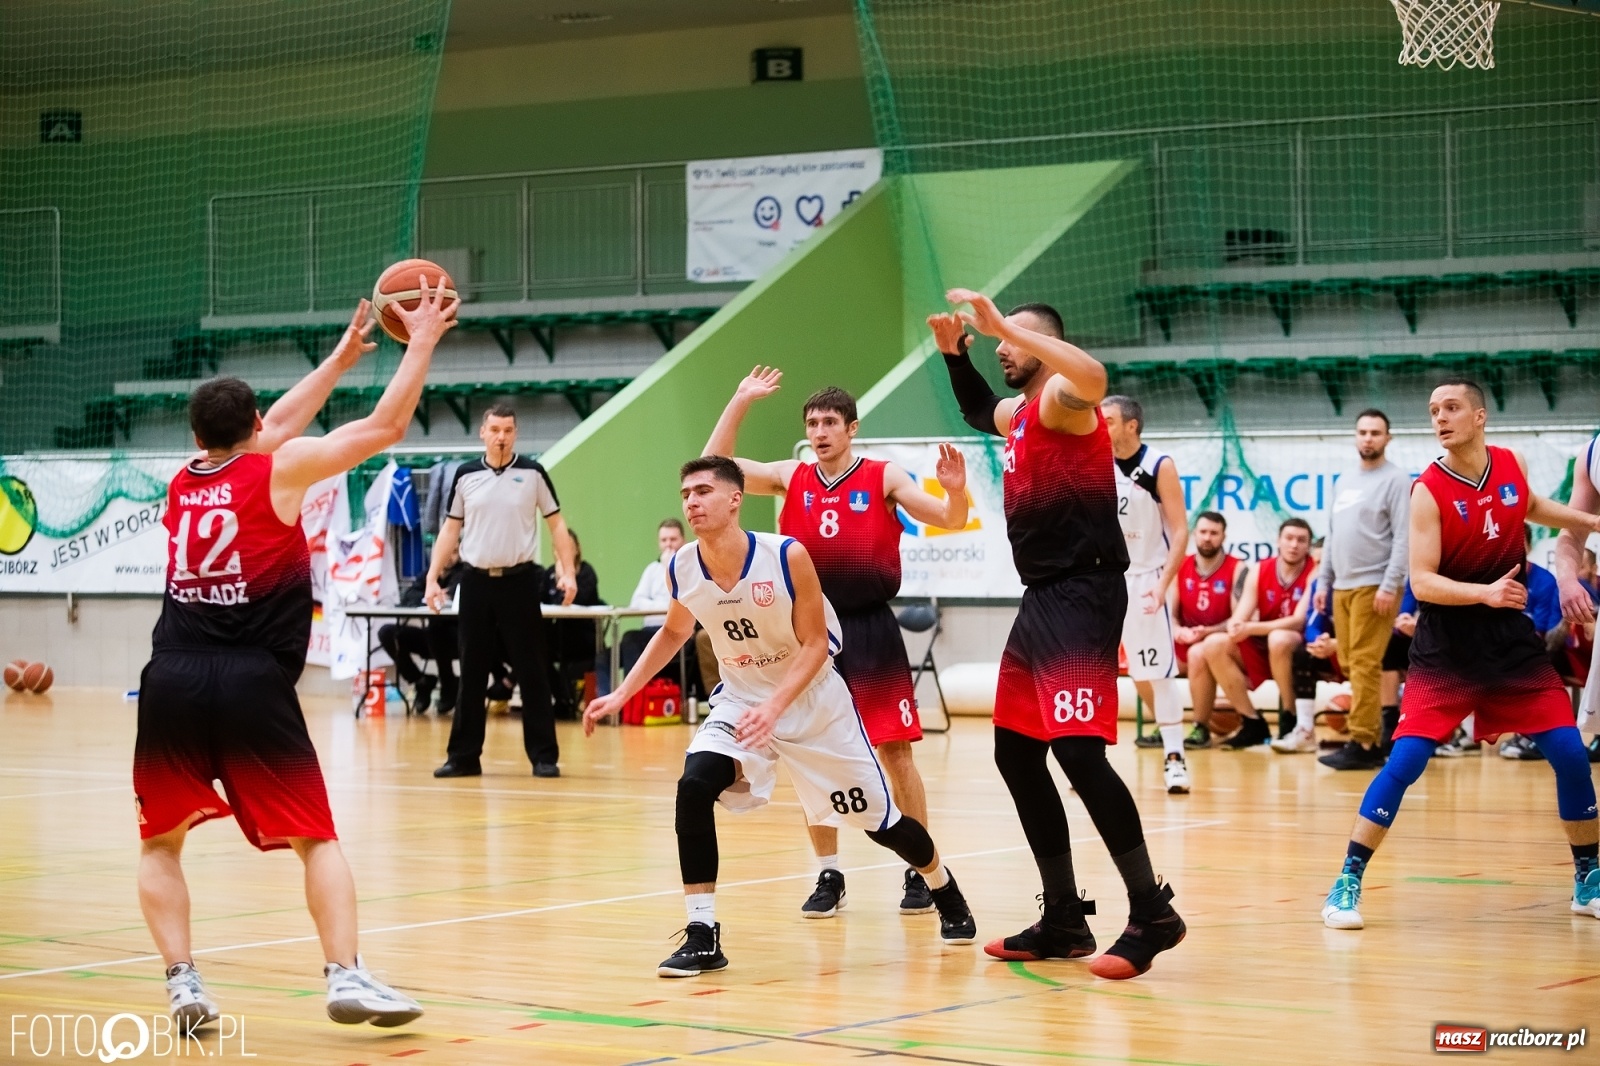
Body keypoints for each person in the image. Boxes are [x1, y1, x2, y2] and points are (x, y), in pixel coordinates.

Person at [133, 284, 457, 1030]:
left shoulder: (185, 482)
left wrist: (341, 358)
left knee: (160, 841)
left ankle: (184, 983)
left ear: (198, 434)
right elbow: (388, 424)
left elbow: (274, 422)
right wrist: (425, 341)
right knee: (316, 838)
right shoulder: (277, 472)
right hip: (250, 677)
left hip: (172, 674)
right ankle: (345, 974)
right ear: (252, 425)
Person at [581, 456, 978, 976]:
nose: (692, 502)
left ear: (734, 500)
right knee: (694, 784)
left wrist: (776, 705)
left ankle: (942, 885)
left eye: (703, 491)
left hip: (813, 704)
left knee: (882, 825)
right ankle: (703, 934)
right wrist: (623, 693)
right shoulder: (681, 565)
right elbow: (674, 632)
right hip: (743, 701)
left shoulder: (786, 555)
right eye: (686, 494)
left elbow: (817, 644)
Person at [932, 290, 1184, 981]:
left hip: (1083, 592)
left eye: (1013, 342)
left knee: (1078, 754)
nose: (1003, 349)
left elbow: (1095, 380)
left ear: (1041, 344)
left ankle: (1152, 911)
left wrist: (1007, 325)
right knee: (1015, 754)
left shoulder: (1064, 402)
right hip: (1041, 599)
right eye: (1002, 342)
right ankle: (1065, 916)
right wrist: (955, 354)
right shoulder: (1020, 416)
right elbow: (980, 411)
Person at [1321, 377, 1600, 931]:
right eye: (1432, 411)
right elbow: (1422, 583)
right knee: (1405, 763)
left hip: (1509, 646)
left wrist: (1591, 522)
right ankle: (1347, 881)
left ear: (1479, 417)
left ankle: (1587, 878)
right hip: (1447, 646)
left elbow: (1533, 505)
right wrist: (1485, 592)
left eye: (1451, 408)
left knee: (1570, 752)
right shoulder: (1426, 489)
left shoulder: (1509, 462)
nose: (1440, 418)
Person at [704, 367, 969, 917]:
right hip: (809, 631)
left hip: (870, 627)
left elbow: (948, 517)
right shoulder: (790, 476)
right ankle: (828, 872)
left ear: (852, 428)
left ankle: (919, 870)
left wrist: (957, 490)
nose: (820, 431)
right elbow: (714, 468)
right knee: (808, 756)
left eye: (830, 422)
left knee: (896, 750)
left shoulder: (883, 476)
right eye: (812, 423)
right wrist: (740, 399)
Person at [426, 404, 577, 779]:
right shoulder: (465, 475)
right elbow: (449, 530)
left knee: (532, 670)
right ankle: (463, 756)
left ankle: (544, 756)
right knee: (472, 670)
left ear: (515, 433)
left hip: (520, 581)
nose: (501, 436)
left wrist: (568, 571)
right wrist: (432, 578)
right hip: (475, 582)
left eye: (508, 430)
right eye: (495, 429)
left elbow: (557, 526)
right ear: (483, 432)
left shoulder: (533, 473)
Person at [1100, 395, 1191, 793]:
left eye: (1108, 420)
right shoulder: (1093, 461)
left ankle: (1175, 758)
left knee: (1158, 675)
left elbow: (1181, 530)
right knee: (1093, 670)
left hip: (1144, 580)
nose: (1099, 426)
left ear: (1131, 425)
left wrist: (1162, 584)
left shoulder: (1158, 465)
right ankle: (1090, 759)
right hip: (1101, 581)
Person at [1312, 410, 1410, 769]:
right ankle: (1366, 736)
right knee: (1352, 664)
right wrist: (1324, 582)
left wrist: (1390, 584)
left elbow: (1403, 537)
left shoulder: (1397, 480)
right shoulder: (1344, 481)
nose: (1368, 438)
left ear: (1388, 438)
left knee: (1366, 664)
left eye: (1376, 432)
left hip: (1375, 585)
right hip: (1342, 586)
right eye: (1363, 432)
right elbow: (1333, 534)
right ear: (1356, 436)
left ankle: (1365, 743)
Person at [1192, 518, 1314, 749]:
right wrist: (1237, 626)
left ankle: (1290, 716)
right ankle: (1252, 721)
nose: (1294, 545)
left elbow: (1299, 622)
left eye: (1301, 540)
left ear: (1308, 546)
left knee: (1280, 639)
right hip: (1262, 644)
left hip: (1299, 649)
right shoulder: (1260, 569)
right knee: (1214, 644)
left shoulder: (1313, 571)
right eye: (1289, 538)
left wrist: (1251, 628)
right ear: (1278, 541)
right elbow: (1240, 615)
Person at [1151, 510, 1244, 749]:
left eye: (1214, 533)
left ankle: (1200, 727)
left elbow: (1238, 619)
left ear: (1223, 536)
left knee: (1198, 654)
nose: (1207, 538)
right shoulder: (1180, 566)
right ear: (1195, 534)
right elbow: (1169, 613)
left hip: (1219, 642)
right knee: (1148, 658)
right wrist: (1177, 629)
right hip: (1186, 638)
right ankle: (1164, 724)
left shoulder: (1237, 568)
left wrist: (1209, 631)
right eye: (1203, 532)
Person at [1498, 525, 1565, 760]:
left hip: (1537, 649)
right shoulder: (1494, 579)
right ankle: (1463, 737)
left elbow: (1546, 632)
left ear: (1529, 546)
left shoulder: (1545, 581)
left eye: (1519, 545)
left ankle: (1532, 738)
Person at [544, 529, 603, 718]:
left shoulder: (586, 572)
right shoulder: (547, 575)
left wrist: (564, 579)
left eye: (569, 547)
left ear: (577, 549)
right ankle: (562, 699)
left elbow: (573, 601)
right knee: (534, 651)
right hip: (557, 637)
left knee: (563, 643)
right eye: (560, 547)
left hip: (583, 638)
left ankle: (566, 700)